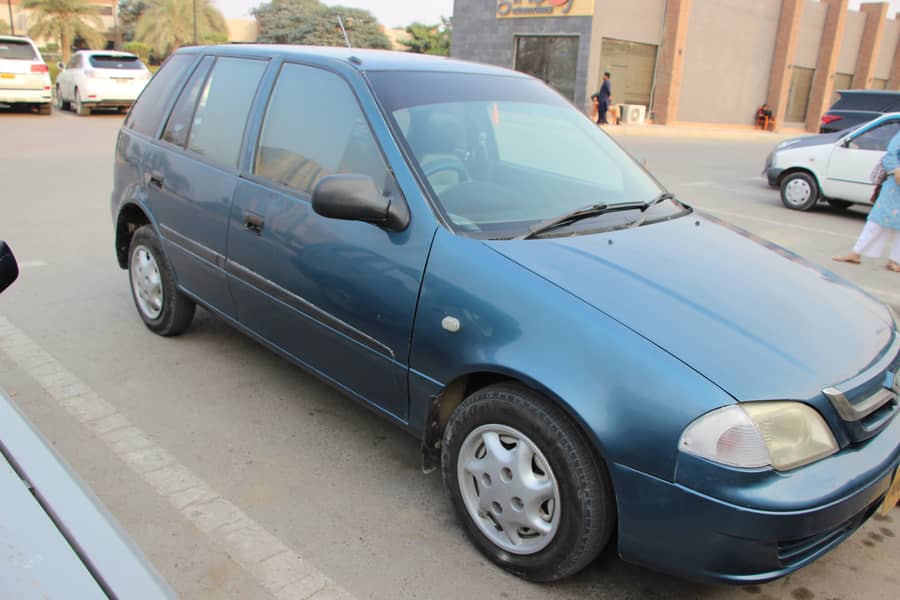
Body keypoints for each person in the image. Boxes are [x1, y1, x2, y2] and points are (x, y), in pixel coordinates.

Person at [833, 130, 900, 272]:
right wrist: (896, 169)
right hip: (896, 184)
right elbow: (891, 153)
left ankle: (896, 260)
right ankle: (856, 253)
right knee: (877, 219)